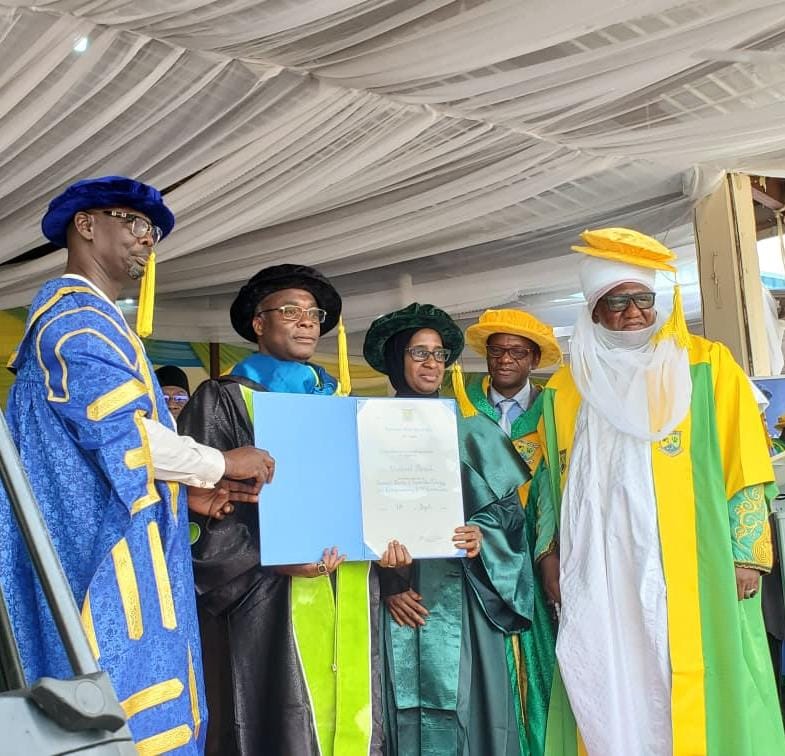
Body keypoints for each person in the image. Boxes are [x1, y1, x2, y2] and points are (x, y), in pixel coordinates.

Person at [0, 176, 275, 752]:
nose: (148, 240)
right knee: (114, 710)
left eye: (153, 231)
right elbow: (124, 434)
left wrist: (183, 492)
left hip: (113, 542)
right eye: (136, 223)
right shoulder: (75, 319)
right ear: (85, 225)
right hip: (96, 559)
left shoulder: (98, 320)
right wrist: (220, 462)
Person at [537, 227, 785, 755]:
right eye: (617, 302)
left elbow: (745, 459)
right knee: (608, 666)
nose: (633, 313)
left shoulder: (706, 365)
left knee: (690, 667)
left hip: (691, 558)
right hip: (601, 562)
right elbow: (546, 481)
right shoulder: (567, 384)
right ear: (594, 310)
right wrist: (549, 552)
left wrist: (747, 552)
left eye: (643, 300)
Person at [177, 263, 409, 755]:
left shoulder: (345, 404)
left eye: (313, 313)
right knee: (279, 726)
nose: (306, 320)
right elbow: (195, 508)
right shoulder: (223, 399)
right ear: (258, 323)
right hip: (263, 599)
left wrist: (394, 537)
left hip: (346, 582)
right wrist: (270, 559)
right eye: (289, 310)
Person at [363, 302, 532, 755]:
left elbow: (510, 519)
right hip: (394, 597)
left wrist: (483, 536)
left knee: (468, 710)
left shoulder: (476, 433)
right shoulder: (366, 429)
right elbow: (351, 515)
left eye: (439, 354)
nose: (432, 363)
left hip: (464, 593)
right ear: (397, 358)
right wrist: (390, 582)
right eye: (419, 353)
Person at [462, 308, 563, 755]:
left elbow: (556, 487)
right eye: (497, 350)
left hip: (533, 552)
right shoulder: (461, 404)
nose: (506, 359)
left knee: (538, 661)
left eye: (518, 352)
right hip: (476, 554)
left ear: (534, 359)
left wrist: (549, 553)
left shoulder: (552, 409)